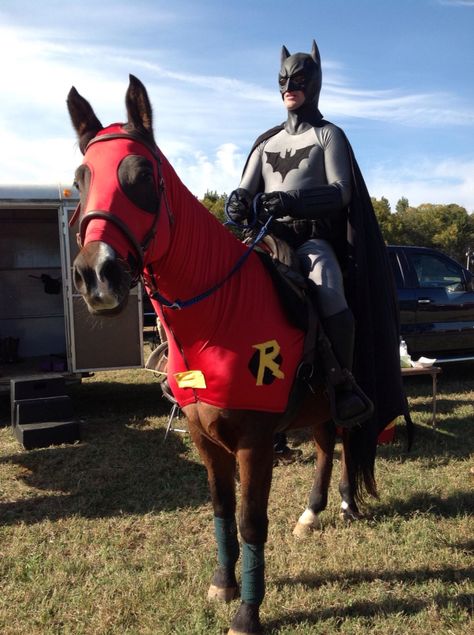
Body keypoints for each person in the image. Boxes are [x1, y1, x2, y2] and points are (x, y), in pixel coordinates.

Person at [226, 39, 376, 431]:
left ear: (315, 81)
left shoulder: (329, 136)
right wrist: (236, 203)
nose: (289, 85)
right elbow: (244, 188)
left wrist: (292, 200)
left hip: (310, 240)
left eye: (298, 78)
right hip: (265, 239)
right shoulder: (266, 143)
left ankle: (343, 383)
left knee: (328, 286)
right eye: (283, 79)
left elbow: (342, 191)